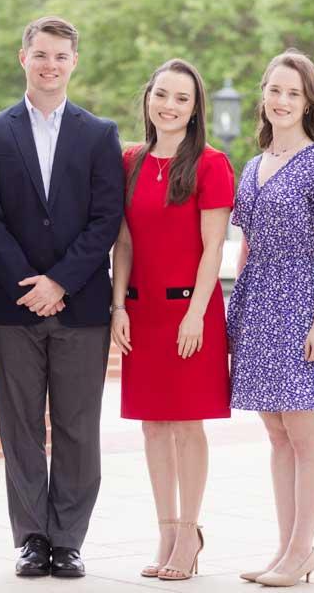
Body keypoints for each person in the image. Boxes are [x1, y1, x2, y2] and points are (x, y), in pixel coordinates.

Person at [0, 16, 123, 578]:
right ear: (23, 57)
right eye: (41, 54)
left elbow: (107, 219)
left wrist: (61, 281)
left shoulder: (100, 134)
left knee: (80, 428)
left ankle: (69, 539)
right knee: (21, 427)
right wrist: (30, 285)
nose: (50, 64)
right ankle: (32, 537)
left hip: (81, 307)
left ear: (73, 62)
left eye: (60, 56)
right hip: (14, 308)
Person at [227, 48, 314, 587]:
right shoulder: (253, 165)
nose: (282, 100)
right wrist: (235, 313)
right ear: (263, 96)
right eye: (275, 90)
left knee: (305, 436)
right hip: (258, 305)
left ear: (308, 102)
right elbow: (245, 246)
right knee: (277, 436)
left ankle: (302, 550)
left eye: (293, 92)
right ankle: (285, 550)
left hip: (303, 306)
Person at [110, 58, 232, 582]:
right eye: (162, 94)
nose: (170, 105)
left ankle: (189, 531)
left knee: (187, 425)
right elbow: (125, 242)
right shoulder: (129, 161)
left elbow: (213, 249)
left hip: (191, 312)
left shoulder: (210, 163)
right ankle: (164, 529)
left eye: (182, 98)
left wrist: (196, 314)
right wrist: (118, 305)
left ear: (195, 107)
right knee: (153, 427)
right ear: (148, 98)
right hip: (142, 311)